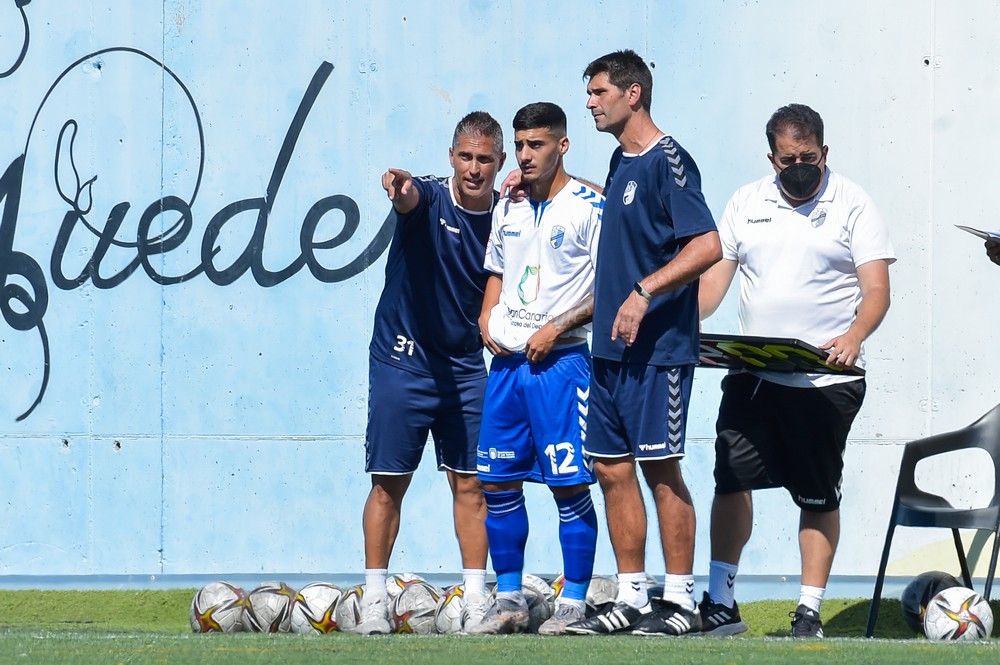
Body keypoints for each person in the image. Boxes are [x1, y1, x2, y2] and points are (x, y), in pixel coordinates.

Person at [697, 103, 895, 638]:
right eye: (789, 159)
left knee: (816, 493)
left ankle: (809, 612)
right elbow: (715, 283)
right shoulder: (745, 201)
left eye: (810, 157)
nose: (800, 166)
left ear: (825, 153)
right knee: (730, 479)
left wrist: (854, 337)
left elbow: (877, 290)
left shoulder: (853, 203)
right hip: (753, 376)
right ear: (772, 158)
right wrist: (683, 322)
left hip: (826, 380)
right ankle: (720, 603)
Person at [565, 50, 722, 637]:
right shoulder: (618, 161)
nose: (590, 102)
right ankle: (632, 597)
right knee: (609, 468)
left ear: (633, 94)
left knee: (661, 469)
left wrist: (643, 292)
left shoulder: (671, 161)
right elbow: (628, 226)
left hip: (659, 352)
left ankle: (680, 602)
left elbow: (707, 245)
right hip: (608, 353)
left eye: (599, 91)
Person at [356, 112, 506, 635]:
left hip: (465, 367)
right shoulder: (429, 198)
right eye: (465, 156)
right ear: (451, 158)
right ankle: (374, 598)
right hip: (403, 360)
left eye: (484, 158)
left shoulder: (510, 216)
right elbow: (407, 196)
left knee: (472, 485)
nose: (473, 168)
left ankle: (474, 599)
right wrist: (397, 189)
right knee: (388, 484)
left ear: (500, 162)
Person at [467, 102, 602, 636]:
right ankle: (509, 598)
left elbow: (608, 284)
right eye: (520, 145)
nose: (525, 155)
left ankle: (572, 602)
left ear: (562, 146)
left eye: (537, 145)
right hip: (505, 367)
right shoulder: (510, 204)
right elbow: (497, 268)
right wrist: (486, 315)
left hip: (561, 365)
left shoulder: (592, 206)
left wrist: (558, 326)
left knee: (569, 486)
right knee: (496, 484)